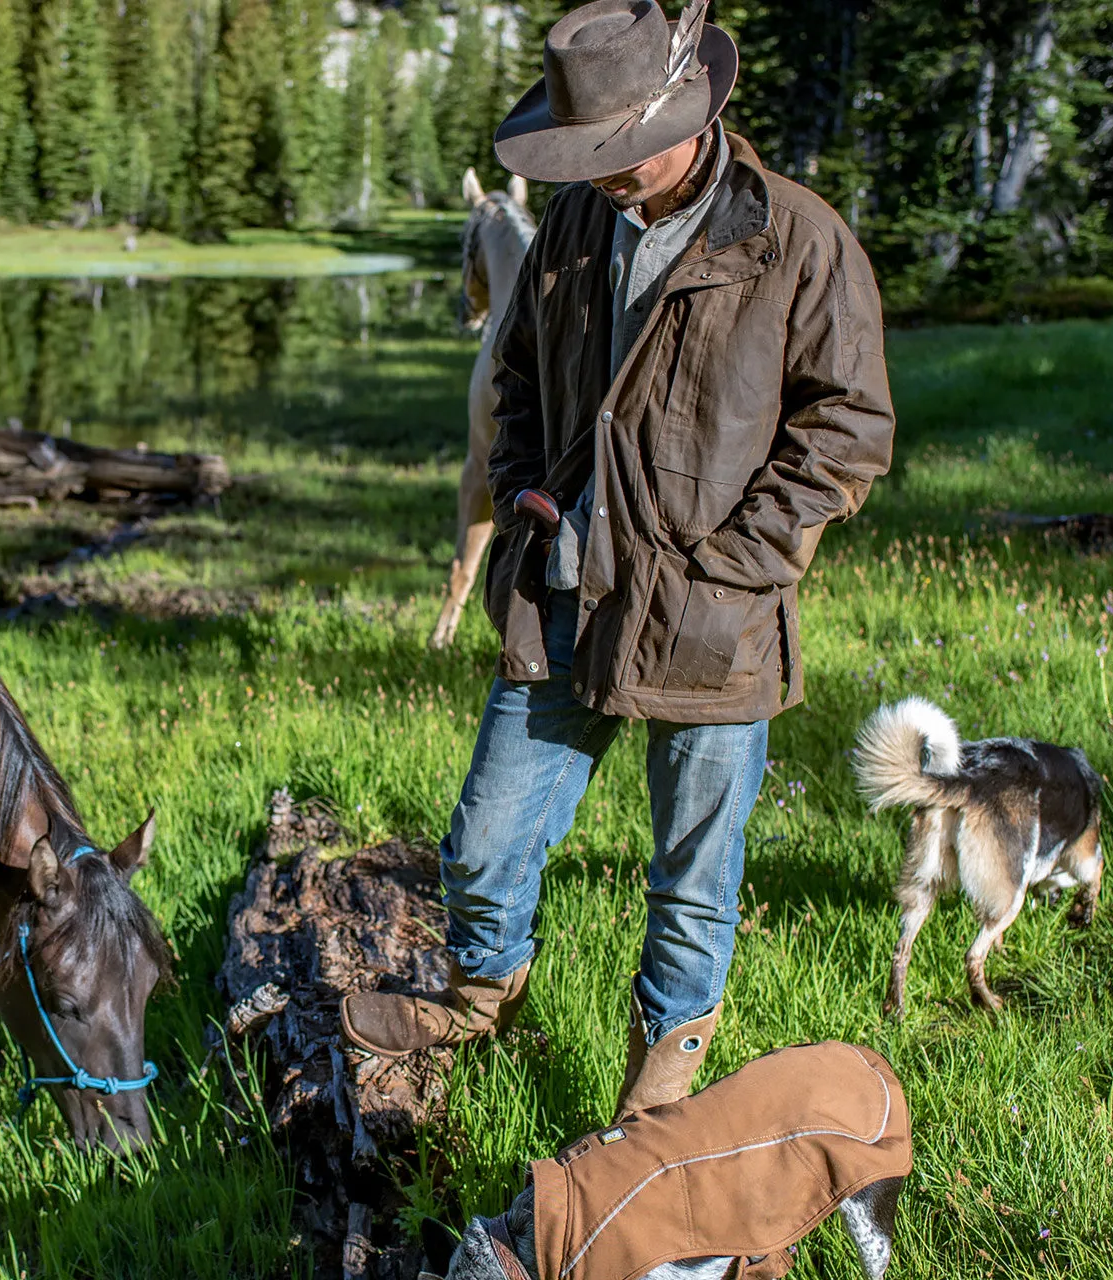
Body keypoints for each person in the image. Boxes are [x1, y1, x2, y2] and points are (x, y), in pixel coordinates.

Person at [342, 0, 895, 1118]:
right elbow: (513, 383)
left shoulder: (793, 237)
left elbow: (848, 425)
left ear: (680, 120)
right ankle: (480, 989)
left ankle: (655, 1098)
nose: (594, 174)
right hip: (564, 590)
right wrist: (523, 497)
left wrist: (741, 557)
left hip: (713, 615)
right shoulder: (571, 227)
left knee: (691, 878)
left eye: (609, 154)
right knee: (482, 839)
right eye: (579, 154)